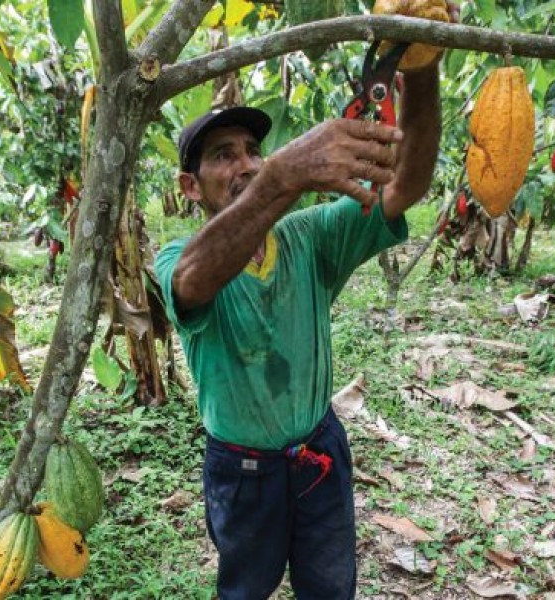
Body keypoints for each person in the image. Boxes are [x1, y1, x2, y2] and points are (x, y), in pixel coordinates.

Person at [154, 47, 444, 600]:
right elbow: (193, 281)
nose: (246, 164)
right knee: (245, 591)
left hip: (318, 450)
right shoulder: (180, 258)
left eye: (253, 152)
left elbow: (405, 184)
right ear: (189, 187)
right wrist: (282, 175)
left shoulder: (307, 237)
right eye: (222, 156)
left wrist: (422, 68)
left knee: (331, 588)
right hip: (242, 473)